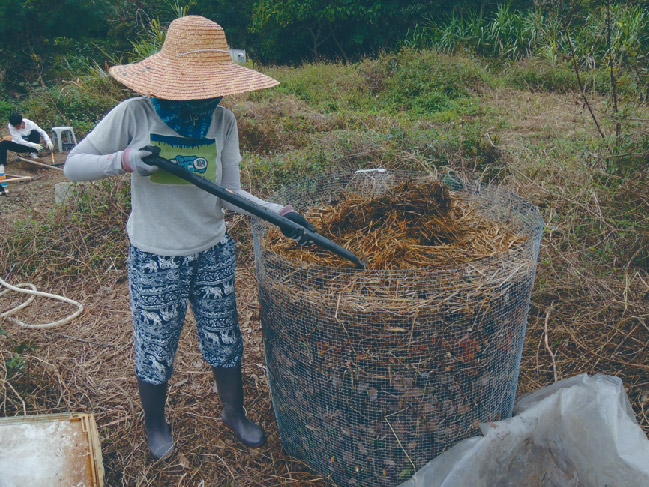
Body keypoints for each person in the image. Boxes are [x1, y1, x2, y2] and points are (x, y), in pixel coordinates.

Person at [63, 15, 315, 460]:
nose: (201, 97)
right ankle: (156, 424)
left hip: (212, 251)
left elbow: (231, 194)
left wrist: (279, 213)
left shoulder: (222, 121)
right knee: (156, 344)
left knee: (224, 335)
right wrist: (123, 160)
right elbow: (73, 164)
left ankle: (233, 413)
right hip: (155, 257)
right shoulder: (134, 113)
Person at [0, 113, 54, 195]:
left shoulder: (30, 123)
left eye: (18, 126)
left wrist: (48, 141)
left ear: (22, 122)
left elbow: (41, 131)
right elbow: (18, 140)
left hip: (31, 143)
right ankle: (2, 163)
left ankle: (33, 153)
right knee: (3, 143)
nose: (16, 128)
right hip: (20, 145)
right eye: (15, 126)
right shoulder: (11, 126)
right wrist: (33, 145)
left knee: (35, 132)